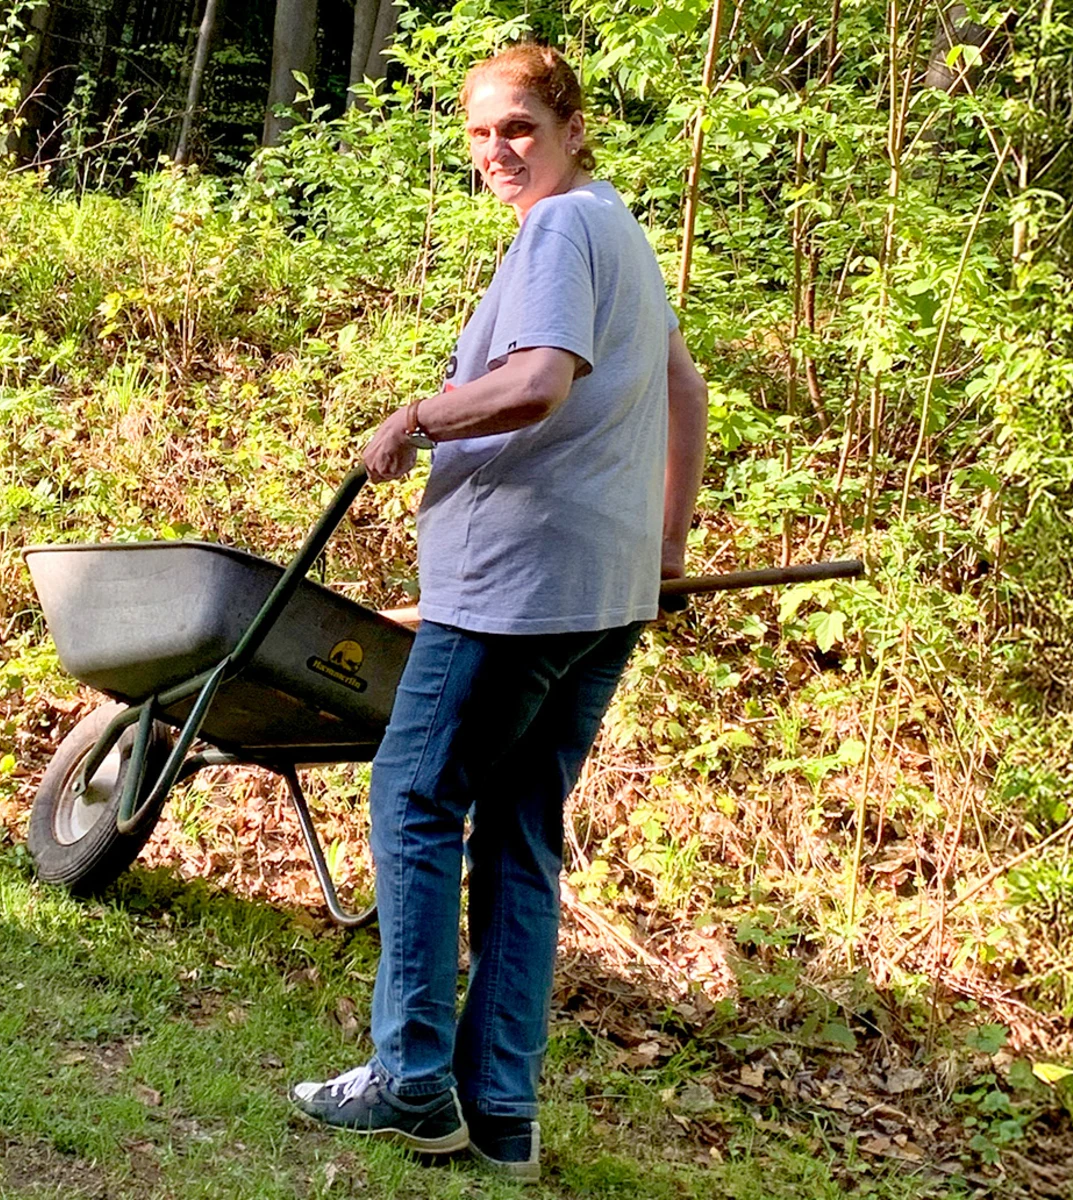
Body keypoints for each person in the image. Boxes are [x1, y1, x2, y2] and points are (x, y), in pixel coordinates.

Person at [290, 42, 708, 1181]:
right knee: (520, 834)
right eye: (477, 134)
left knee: (415, 796)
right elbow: (682, 387)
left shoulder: (562, 230)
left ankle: (412, 1081)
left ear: (572, 127)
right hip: (601, 591)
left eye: (517, 127)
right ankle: (502, 1113)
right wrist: (661, 547)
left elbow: (536, 381)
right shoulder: (621, 229)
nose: (495, 152)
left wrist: (416, 415)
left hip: (519, 588)